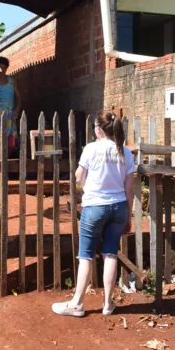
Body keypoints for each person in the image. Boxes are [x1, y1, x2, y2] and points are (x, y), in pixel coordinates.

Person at [52, 110, 135, 317]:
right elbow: (129, 188)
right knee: (110, 253)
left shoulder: (90, 149)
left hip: (94, 207)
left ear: (98, 129)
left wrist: (84, 173)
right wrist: (128, 216)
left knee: (86, 256)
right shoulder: (125, 152)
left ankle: (78, 303)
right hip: (119, 207)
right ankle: (108, 304)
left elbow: (79, 177)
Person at [0, 55, 21, 157]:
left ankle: (7, 165)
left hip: (9, 117)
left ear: (7, 68)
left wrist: (17, 110)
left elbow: (19, 97)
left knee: (10, 144)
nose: (2, 70)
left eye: (4, 68)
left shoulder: (12, 81)